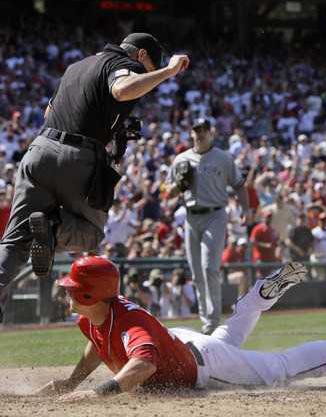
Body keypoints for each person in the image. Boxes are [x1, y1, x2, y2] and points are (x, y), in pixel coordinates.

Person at [0, 32, 189, 317]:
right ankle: (52, 229)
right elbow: (123, 89)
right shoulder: (124, 64)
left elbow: (49, 110)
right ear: (140, 55)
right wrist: (168, 71)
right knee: (89, 235)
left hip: (39, 150)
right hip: (78, 157)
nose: (148, 78)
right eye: (150, 67)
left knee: (14, 242)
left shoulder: (77, 66)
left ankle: (40, 234)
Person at [36, 256, 326, 400]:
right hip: (189, 343)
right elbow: (97, 344)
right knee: (226, 338)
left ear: (91, 293)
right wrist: (72, 382)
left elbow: (143, 364)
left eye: (70, 288)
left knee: (280, 368)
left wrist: (98, 394)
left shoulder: (130, 324)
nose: (65, 291)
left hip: (206, 366)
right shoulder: (93, 316)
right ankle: (258, 294)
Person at [168, 117, 249, 335]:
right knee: (196, 273)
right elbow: (166, 193)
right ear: (191, 134)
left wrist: (246, 210)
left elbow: (240, 185)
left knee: (209, 268)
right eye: (196, 130)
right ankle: (206, 320)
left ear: (211, 133)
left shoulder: (222, 158)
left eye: (203, 130)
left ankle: (212, 323)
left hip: (215, 214)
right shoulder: (181, 159)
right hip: (191, 217)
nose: (200, 134)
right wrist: (178, 186)